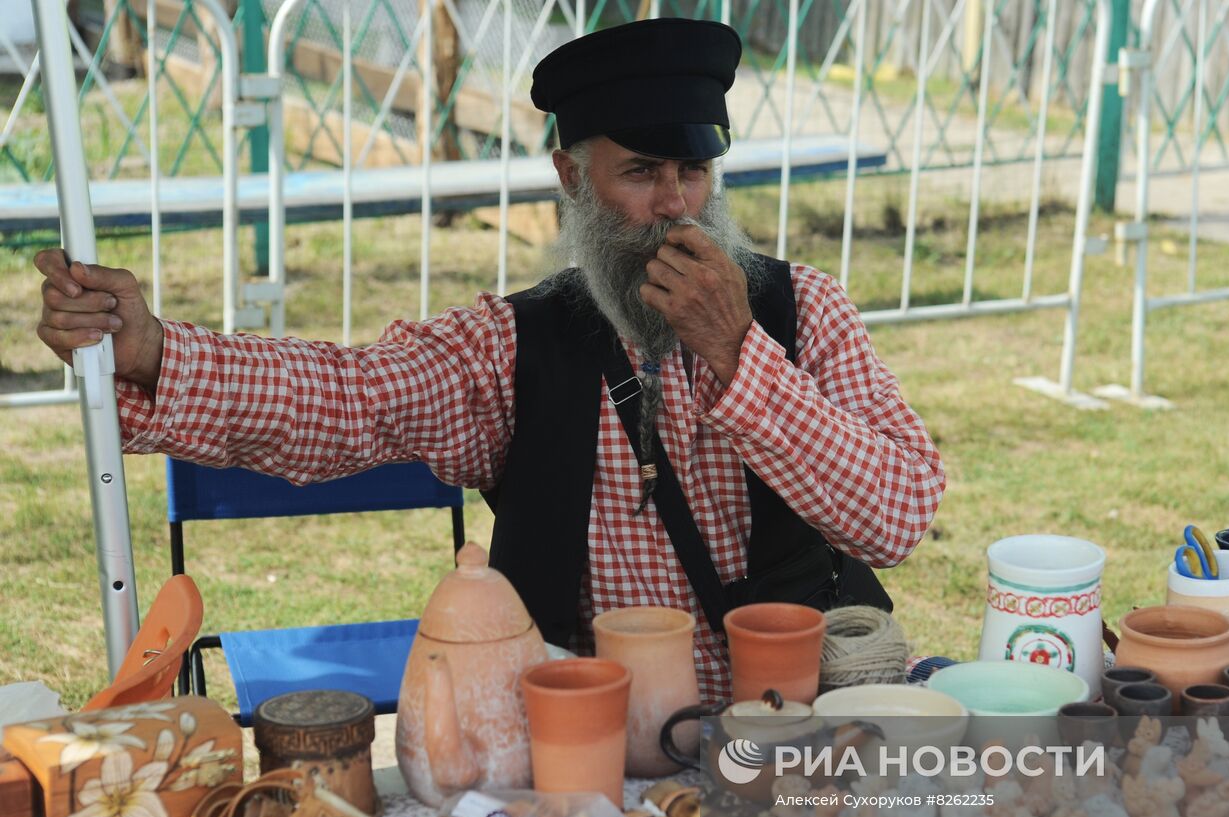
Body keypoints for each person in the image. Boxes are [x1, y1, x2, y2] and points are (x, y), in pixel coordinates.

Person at [34, 18, 945, 704]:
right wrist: (151, 348)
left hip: (800, 725)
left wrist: (742, 359)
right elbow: (352, 400)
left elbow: (898, 518)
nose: (676, 207)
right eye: (639, 173)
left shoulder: (800, 310)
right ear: (571, 179)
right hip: (592, 744)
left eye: (693, 173)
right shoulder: (515, 345)